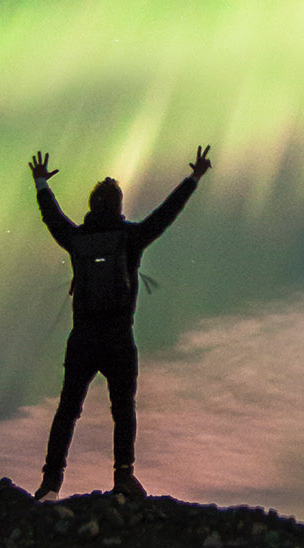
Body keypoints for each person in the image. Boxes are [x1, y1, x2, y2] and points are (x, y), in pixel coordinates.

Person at [29, 143, 211, 501]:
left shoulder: (77, 239)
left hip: (82, 337)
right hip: (118, 338)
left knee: (68, 410)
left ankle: (51, 483)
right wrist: (194, 178)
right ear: (118, 206)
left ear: (91, 205)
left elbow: (52, 217)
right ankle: (124, 477)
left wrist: (41, 184)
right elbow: (165, 215)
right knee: (123, 408)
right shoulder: (130, 238)